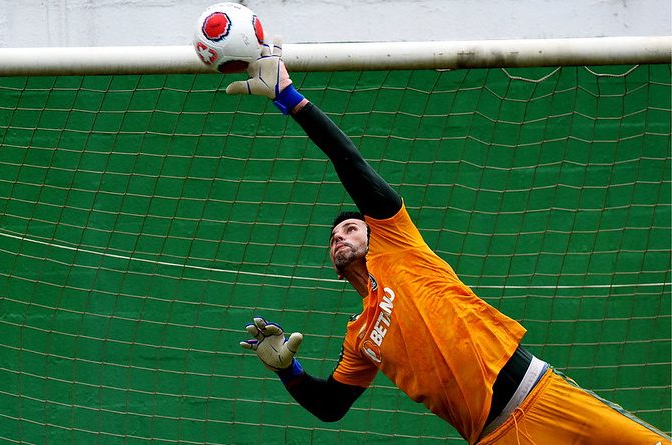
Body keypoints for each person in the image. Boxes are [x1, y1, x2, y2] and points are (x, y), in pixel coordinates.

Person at [228, 37, 671, 445]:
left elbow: (348, 161)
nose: (340, 237)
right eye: (333, 237)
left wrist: (289, 98)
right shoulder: (359, 338)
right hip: (494, 438)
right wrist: (288, 371)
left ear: (374, 230)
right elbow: (330, 407)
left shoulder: (397, 244)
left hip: (545, 399)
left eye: (350, 228)